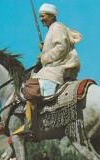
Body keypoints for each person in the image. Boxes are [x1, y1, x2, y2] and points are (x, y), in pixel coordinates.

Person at [18, 3, 82, 136]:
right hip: (53, 66)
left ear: (52, 16)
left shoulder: (57, 27)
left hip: (58, 68)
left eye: (43, 16)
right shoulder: (53, 29)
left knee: (29, 86)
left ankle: (29, 124)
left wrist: (44, 56)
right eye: (40, 17)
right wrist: (45, 48)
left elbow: (61, 48)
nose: (41, 19)